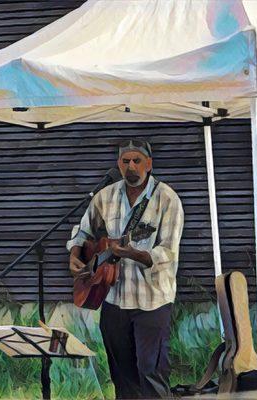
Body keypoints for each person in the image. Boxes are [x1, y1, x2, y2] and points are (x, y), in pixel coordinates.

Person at [66, 139, 184, 399]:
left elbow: (168, 251)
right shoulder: (104, 197)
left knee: (151, 375)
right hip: (113, 300)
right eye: (125, 161)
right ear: (119, 165)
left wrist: (136, 254)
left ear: (149, 164)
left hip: (152, 302)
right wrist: (76, 253)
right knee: (122, 379)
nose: (131, 166)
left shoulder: (166, 199)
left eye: (137, 160)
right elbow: (82, 230)